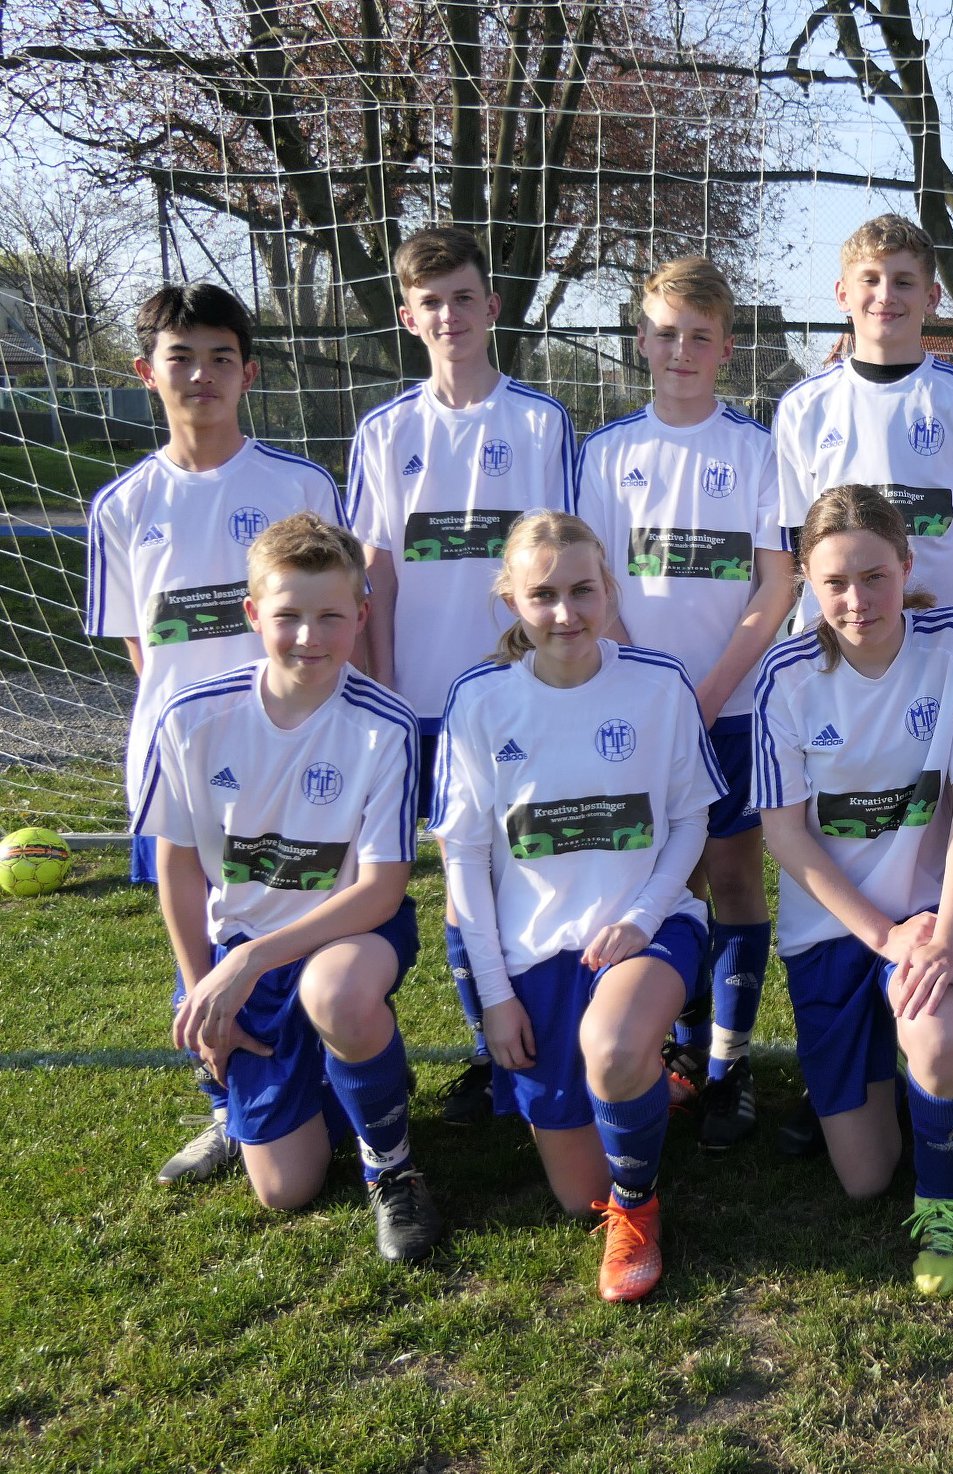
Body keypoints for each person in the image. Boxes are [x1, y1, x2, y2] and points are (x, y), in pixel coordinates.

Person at [85, 283, 343, 1186]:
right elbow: (141, 648)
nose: (202, 375)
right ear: (145, 372)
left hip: (300, 760)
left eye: (221, 357)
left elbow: (334, 616)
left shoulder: (299, 487)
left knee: (311, 922)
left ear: (249, 372)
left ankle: (330, 1087)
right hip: (187, 772)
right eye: (182, 357)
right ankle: (227, 1109)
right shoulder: (122, 503)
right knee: (202, 930)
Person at [430, 511, 724, 1301]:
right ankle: (640, 1086)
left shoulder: (657, 684)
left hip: (647, 928)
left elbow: (690, 819)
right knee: (573, 1194)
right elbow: (464, 858)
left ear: (609, 589)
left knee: (613, 1046)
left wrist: (643, 916)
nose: (566, 613)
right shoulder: (480, 699)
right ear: (511, 601)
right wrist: (495, 997)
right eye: (543, 595)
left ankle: (637, 1209)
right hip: (535, 951)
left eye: (583, 590)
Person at [134, 512, 440, 1261]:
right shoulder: (192, 716)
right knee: (285, 1189)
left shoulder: (386, 724)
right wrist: (201, 986)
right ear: (252, 614)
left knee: (338, 995)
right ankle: (333, 1080)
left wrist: (250, 961)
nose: (310, 636)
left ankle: (392, 1168)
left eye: (331, 616)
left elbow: (382, 889)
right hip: (241, 941)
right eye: (288, 616)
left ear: (361, 615)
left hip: (348, 934)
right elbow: (177, 866)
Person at [345, 225, 575, 1130]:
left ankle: (535, 1026)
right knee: (457, 869)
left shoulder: (540, 422)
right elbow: (377, 572)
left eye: (464, 299)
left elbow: (556, 563)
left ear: (492, 307)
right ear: (409, 318)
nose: (450, 316)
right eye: (431, 303)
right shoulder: (384, 430)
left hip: (519, 697)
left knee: (522, 863)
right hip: (420, 703)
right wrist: (384, 691)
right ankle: (485, 1051)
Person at [752, 485, 953, 1296]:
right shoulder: (785, 676)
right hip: (833, 928)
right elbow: (785, 835)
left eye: (873, 576)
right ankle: (923, 1082)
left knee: (937, 1038)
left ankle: (943, 1204)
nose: (856, 600)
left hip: (928, 917)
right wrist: (882, 936)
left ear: (905, 564)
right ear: (806, 582)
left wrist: (947, 935)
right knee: (863, 1178)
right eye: (834, 582)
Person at [576, 254, 796, 1152]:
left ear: (726, 348)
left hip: (729, 710)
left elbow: (775, 584)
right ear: (640, 340)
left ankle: (729, 1066)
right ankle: (675, 1049)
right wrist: (653, 689)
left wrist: (706, 693)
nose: (680, 350)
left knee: (734, 876)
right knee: (663, 882)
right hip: (635, 714)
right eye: (665, 333)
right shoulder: (605, 453)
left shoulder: (756, 449)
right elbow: (595, 583)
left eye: (699, 336)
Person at [772, 213, 953, 623]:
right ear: (843, 294)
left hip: (940, 633)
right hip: (836, 635)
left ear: (932, 297)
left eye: (903, 282)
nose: (885, 295)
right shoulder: (803, 406)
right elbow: (796, 540)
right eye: (870, 280)